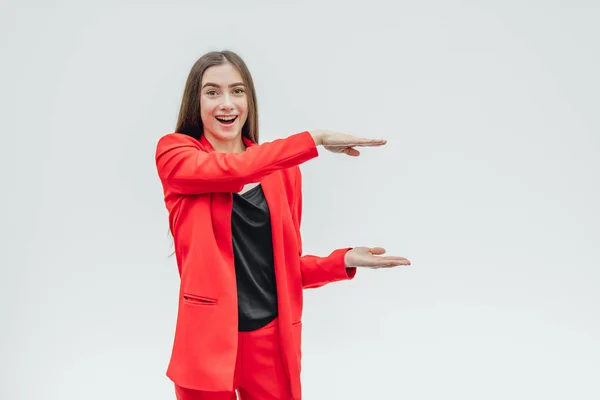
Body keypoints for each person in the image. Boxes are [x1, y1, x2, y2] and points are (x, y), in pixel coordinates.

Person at [154, 50, 411, 400]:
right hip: (207, 344)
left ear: (250, 100)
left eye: (238, 91)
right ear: (195, 102)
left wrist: (344, 261)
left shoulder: (285, 172)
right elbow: (234, 171)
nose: (226, 103)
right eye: (212, 92)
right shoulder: (175, 155)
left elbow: (284, 270)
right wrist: (315, 138)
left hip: (270, 343)